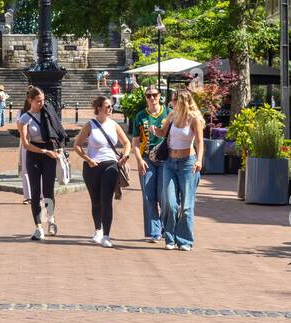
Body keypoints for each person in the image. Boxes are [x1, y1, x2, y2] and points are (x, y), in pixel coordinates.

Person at [72, 94, 133, 248]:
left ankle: (106, 235)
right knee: (96, 200)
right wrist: (88, 159)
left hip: (110, 164)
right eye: (107, 106)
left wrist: (125, 156)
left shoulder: (114, 124)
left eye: (111, 106)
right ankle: (97, 229)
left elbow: (126, 143)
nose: (110, 108)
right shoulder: (90, 125)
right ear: (99, 108)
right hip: (93, 166)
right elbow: (77, 145)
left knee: (106, 199)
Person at [159, 88, 205, 251]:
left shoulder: (194, 119)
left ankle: (184, 240)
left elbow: (199, 141)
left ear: (181, 102)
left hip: (188, 164)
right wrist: (153, 129)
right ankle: (170, 238)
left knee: (186, 206)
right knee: (170, 204)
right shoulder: (171, 116)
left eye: (173, 100)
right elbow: (162, 133)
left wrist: (199, 160)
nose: (170, 103)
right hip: (170, 163)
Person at [17, 86, 63, 240]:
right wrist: (43, 151)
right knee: (35, 192)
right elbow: (26, 144)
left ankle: (49, 218)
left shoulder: (48, 113)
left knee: (48, 190)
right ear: (30, 100)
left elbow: (57, 131)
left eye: (43, 100)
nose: (41, 103)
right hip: (34, 153)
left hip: (49, 152)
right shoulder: (24, 119)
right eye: (38, 101)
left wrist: (58, 149)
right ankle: (38, 227)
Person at [131, 84, 171, 243]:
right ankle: (155, 232)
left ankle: (165, 227)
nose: (152, 98)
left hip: (166, 160)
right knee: (149, 197)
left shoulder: (168, 113)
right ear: (145, 98)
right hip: (147, 160)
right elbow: (135, 142)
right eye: (149, 95)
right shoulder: (140, 116)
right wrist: (139, 160)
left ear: (160, 95)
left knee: (165, 197)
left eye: (155, 94)